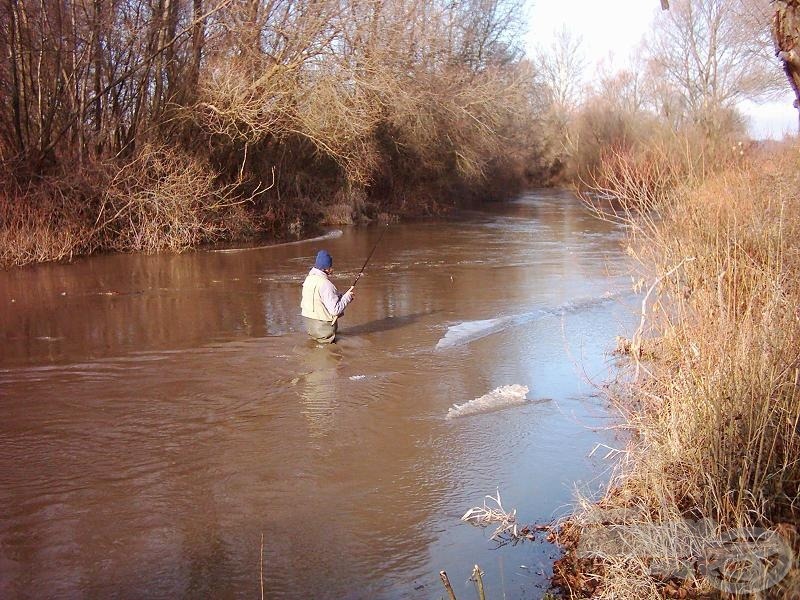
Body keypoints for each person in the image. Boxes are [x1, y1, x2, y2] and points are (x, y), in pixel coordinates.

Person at [300, 250, 354, 344]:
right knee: (331, 353)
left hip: (308, 325)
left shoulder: (308, 279)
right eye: (330, 267)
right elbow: (335, 310)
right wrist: (347, 298)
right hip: (322, 328)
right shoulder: (326, 284)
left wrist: (342, 296)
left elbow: (319, 299)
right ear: (325, 268)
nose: (332, 269)